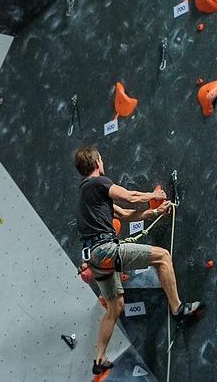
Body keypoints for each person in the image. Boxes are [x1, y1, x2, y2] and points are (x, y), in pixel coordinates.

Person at [74, 146, 201, 376]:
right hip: (106, 251)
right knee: (162, 257)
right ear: (97, 163)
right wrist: (153, 196)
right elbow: (130, 197)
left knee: (115, 307)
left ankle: (99, 359)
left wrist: (154, 212)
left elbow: (126, 214)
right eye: (101, 160)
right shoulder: (97, 183)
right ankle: (178, 309)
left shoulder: (90, 198)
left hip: (95, 259)